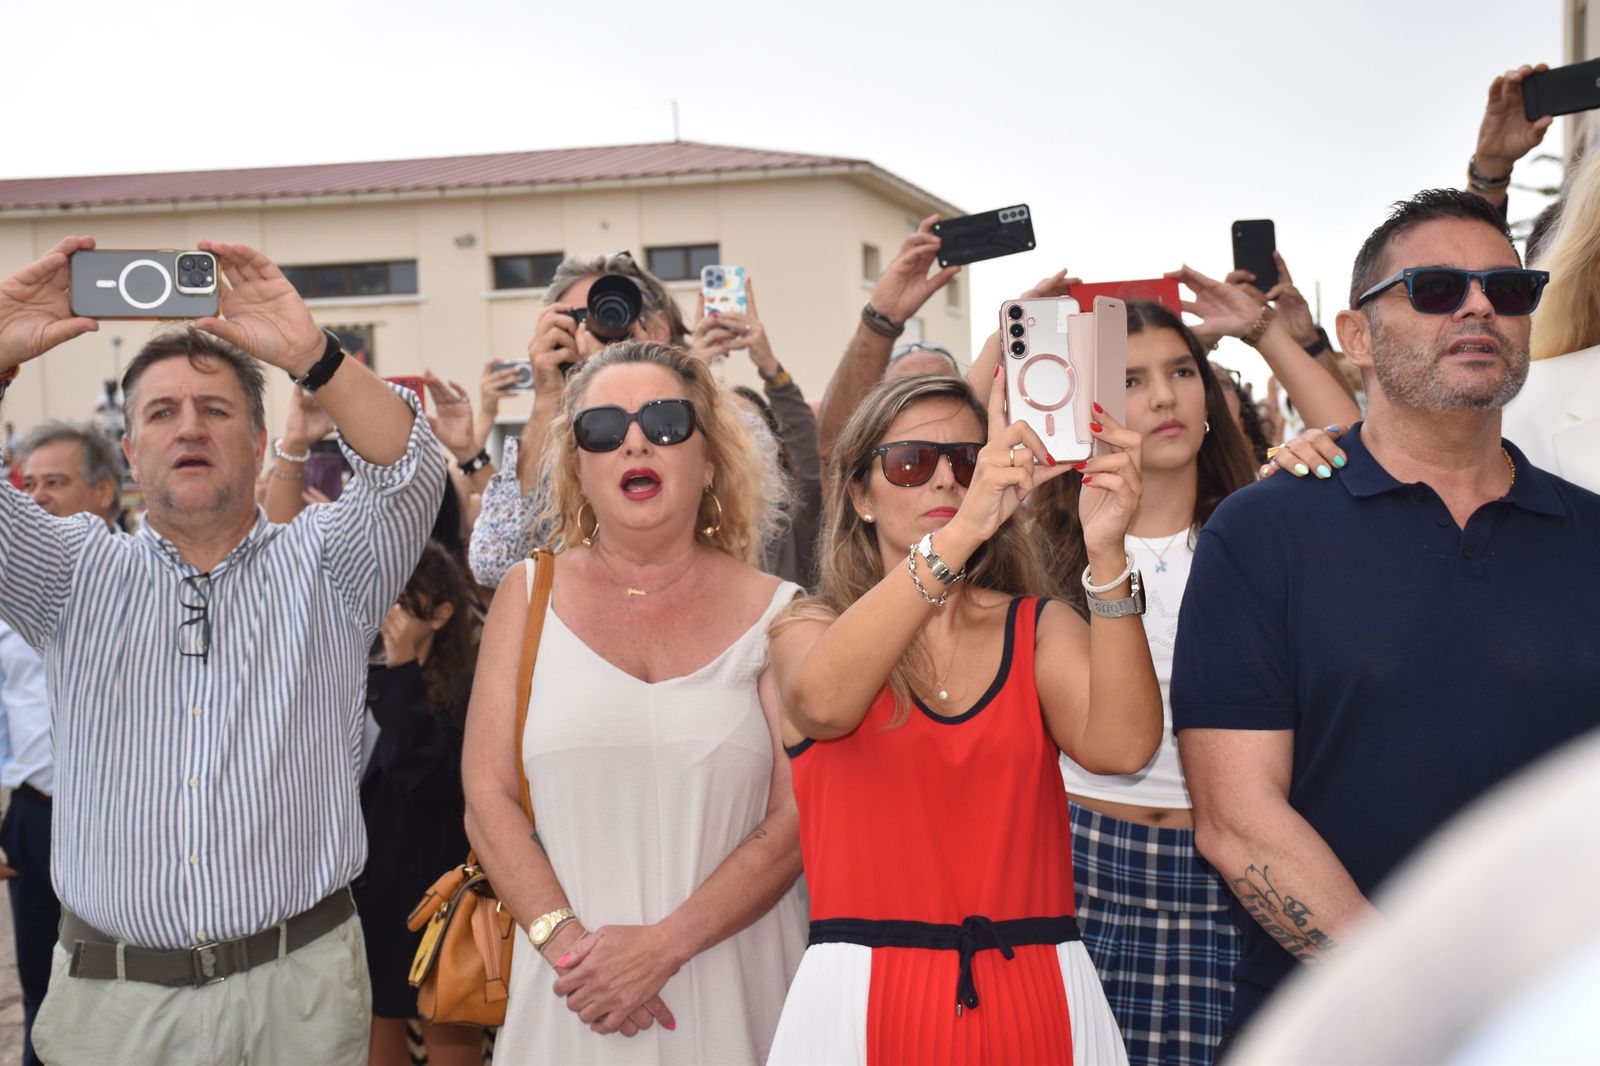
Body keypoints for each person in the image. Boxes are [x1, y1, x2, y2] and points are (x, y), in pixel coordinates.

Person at [0, 235, 445, 1065]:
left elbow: (409, 470)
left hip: (300, 996)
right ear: (130, 452)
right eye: (160, 413)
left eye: (215, 409)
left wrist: (312, 354)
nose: (188, 426)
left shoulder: (330, 565)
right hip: (116, 1007)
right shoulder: (69, 573)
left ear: (258, 439)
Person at [1171, 189, 1600, 1042]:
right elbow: (1237, 820)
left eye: (1508, 290)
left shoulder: (1591, 536)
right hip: (1332, 1031)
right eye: (1437, 289)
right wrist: (1425, 1006)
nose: (1479, 306)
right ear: (1357, 336)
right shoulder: (1262, 532)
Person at [765, 373, 1164, 1064]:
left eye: (969, 462)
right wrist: (965, 532)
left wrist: (1106, 552)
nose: (945, 482)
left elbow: (1125, 747)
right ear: (859, 494)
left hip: (1036, 991)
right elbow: (824, 706)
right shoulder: (807, 627)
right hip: (862, 1001)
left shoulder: (1039, 627)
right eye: (912, 463)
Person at [462, 340, 805, 1063]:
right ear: (579, 467)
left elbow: (797, 818)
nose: (636, 441)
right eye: (604, 429)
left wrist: (663, 946)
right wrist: (573, 950)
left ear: (709, 459)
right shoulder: (526, 596)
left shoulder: (783, 614)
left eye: (665, 421)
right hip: (574, 1002)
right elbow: (487, 799)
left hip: (737, 997)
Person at [1027, 302, 1256, 1066]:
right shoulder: (1042, 548)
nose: (1164, 398)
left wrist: (1272, 337)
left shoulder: (1265, 530)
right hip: (1082, 862)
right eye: (1130, 380)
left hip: (1229, 868)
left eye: (1183, 372)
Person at [0, 421, 121, 1066]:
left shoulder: (147, 579)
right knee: (42, 996)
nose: (38, 496)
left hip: (123, 821)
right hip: (35, 818)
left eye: (57, 482)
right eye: (31, 483)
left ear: (104, 491)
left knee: (125, 992)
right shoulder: (7, 585)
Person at [354, 540, 481, 1066]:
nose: (393, 614)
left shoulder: (468, 688)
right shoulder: (369, 677)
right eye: (390, 599)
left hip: (441, 893)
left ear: (442, 613)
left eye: (409, 602)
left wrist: (403, 668)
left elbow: (428, 776)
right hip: (374, 890)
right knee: (375, 1028)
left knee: (449, 1028)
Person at [816, 216, 960, 460]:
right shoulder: (865, 473)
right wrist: (881, 319)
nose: (922, 399)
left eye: (939, 387)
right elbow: (837, 447)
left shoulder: (992, 471)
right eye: (903, 390)